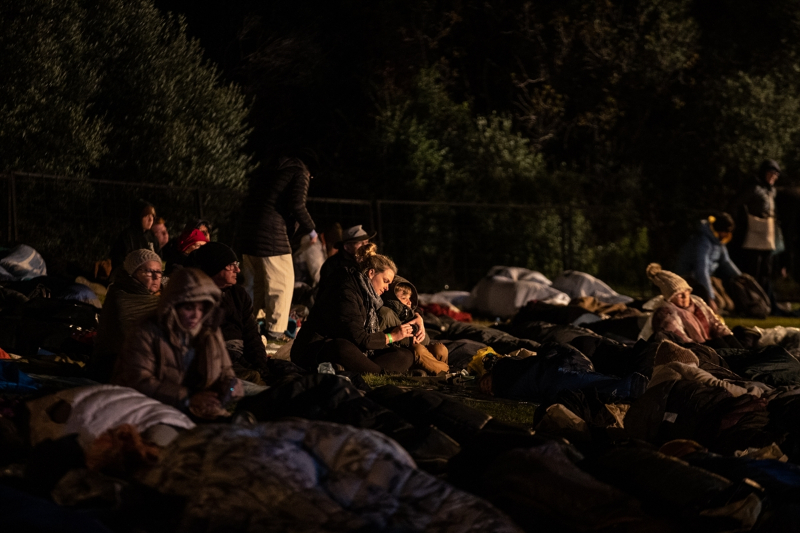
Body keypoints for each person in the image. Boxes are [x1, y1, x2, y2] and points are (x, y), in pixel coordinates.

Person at [111, 268, 242, 419]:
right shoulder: (146, 332)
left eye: (201, 308)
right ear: (173, 306)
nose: (196, 315)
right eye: (188, 308)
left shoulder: (210, 333)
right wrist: (188, 398)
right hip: (149, 410)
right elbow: (139, 380)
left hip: (200, 409)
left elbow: (227, 372)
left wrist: (230, 389)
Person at [291, 243, 419, 374]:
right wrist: (392, 337)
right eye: (385, 281)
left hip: (358, 349)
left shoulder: (373, 295)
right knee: (342, 347)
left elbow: (399, 306)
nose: (387, 288)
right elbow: (360, 338)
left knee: (405, 355)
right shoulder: (345, 290)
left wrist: (417, 318)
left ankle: (357, 368)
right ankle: (379, 372)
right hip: (317, 347)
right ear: (371, 273)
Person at [239, 154, 316, 341]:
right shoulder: (300, 172)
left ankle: (247, 325)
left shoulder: (267, 173)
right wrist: (312, 230)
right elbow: (297, 204)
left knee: (255, 284)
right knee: (282, 282)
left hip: (248, 233)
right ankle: (275, 331)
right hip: (271, 236)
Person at [193, 242, 270, 383]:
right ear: (214, 267)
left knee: (288, 373)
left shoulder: (238, 294)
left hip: (242, 358)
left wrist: (261, 365)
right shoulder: (197, 297)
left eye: (237, 264)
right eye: (231, 265)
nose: (237, 270)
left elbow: (251, 333)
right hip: (217, 364)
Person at [91, 249, 163, 382]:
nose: (155, 277)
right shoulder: (122, 298)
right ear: (133, 273)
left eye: (158, 272)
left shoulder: (159, 298)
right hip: (114, 370)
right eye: (148, 271)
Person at [646, 263, 734, 345]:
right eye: (679, 294)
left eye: (686, 291)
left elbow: (714, 323)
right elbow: (681, 339)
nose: (685, 296)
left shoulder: (697, 303)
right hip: (696, 350)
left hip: (709, 343)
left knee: (737, 334)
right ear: (669, 298)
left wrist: (728, 336)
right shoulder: (666, 313)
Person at [730, 159, 782, 294]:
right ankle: (751, 295)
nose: (773, 177)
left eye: (775, 174)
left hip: (768, 230)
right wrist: (740, 221)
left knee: (766, 267)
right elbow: (736, 204)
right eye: (770, 173)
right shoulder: (755, 189)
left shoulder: (772, 191)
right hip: (755, 229)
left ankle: (764, 296)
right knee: (754, 265)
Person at [379, 277, 449, 374]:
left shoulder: (410, 314)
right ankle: (448, 373)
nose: (409, 302)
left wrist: (419, 332)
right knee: (418, 349)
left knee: (440, 349)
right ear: (391, 299)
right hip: (400, 354)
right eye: (404, 298)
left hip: (416, 350)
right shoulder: (385, 314)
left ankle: (437, 374)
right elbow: (380, 341)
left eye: (409, 298)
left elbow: (426, 341)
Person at [675, 213, 741, 312]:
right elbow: (701, 269)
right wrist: (710, 297)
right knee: (719, 304)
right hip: (691, 278)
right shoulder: (703, 241)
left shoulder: (718, 242)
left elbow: (726, 261)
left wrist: (740, 276)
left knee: (729, 305)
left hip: (707, 277)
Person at [318, 225, 375, 291]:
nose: (365, 246)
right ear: (347, 247)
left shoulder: (369, 261)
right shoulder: (333, 265)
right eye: (360, 243)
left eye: (366, 242)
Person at [109, 200, 159, 273]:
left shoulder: (152, 237)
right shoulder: (127, 237)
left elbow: (158, 257)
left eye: (152, 216)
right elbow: (119, 262)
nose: (150, 219)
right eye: (147, 216)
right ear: (138, 217)